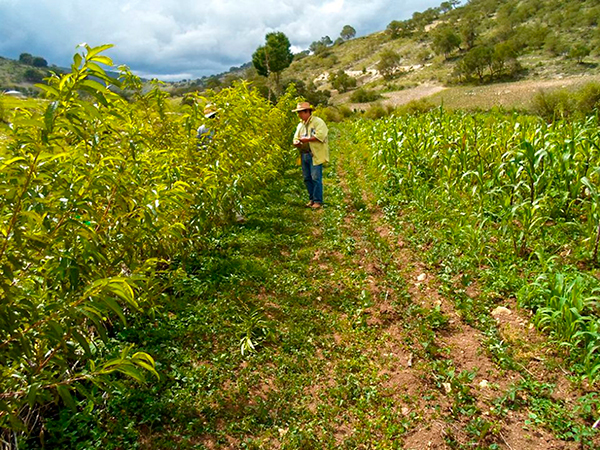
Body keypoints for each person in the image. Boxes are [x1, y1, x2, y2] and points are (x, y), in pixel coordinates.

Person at [292, 102, 329, 209]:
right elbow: (296, 137)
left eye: (300, 112)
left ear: (307, 112)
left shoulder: (318, 122)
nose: (299, 115)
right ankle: (311, 199)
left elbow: (321, 135)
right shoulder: (300, 125)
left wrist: (307, 139)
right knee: (307, 178)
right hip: (304, 154)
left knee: (315, 177)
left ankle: (318, 201)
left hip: (314, 154)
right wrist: (296, 142)